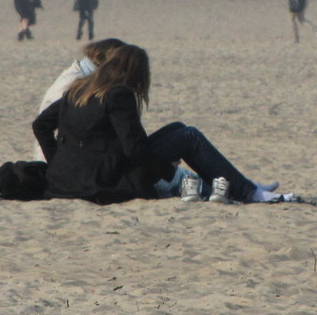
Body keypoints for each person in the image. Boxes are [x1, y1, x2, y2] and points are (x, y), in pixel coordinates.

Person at [32, 44, 292, 204]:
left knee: (178, 129)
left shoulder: (78, 90)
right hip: (106, 179)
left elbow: (40, 125)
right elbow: (133, 149)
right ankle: (249, 192)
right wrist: (167, 171)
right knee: (189, 137)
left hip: (70, 179)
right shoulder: (118, 95)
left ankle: (247, 186)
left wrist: (58, 163)